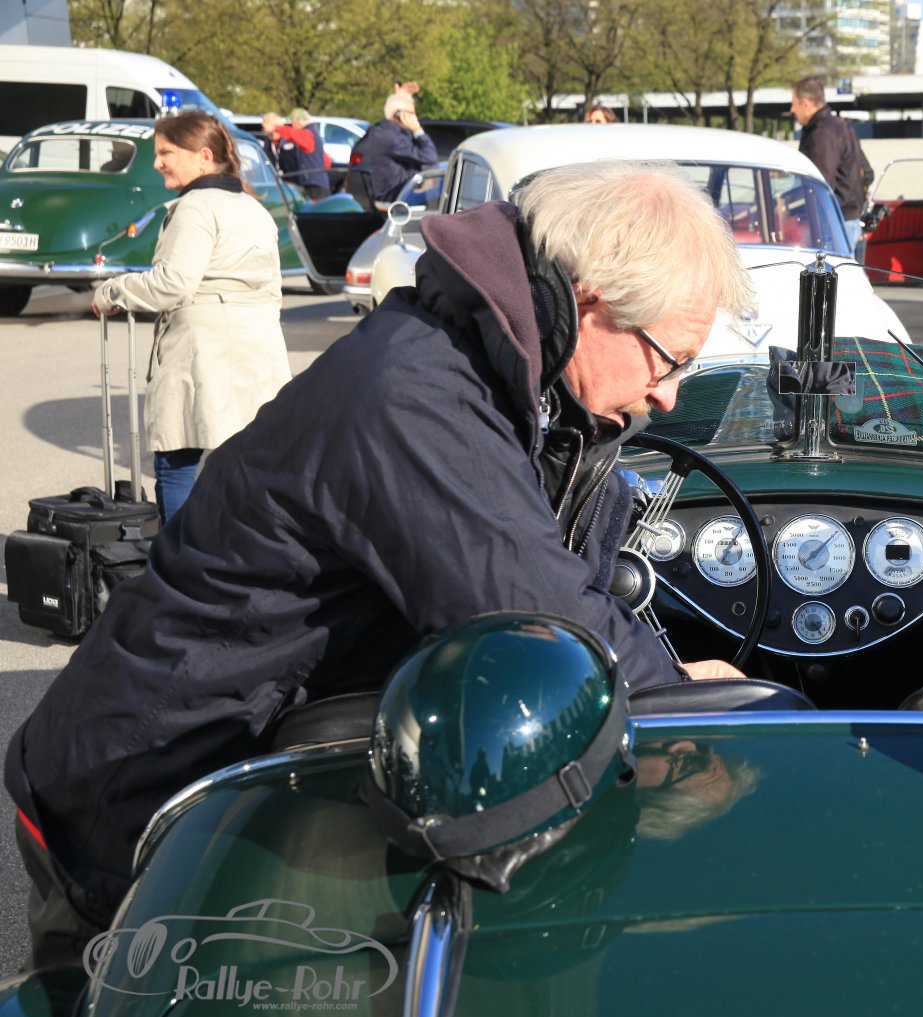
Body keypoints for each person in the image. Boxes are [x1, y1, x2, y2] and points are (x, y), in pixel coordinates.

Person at [8, 160, 755, 970]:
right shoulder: (417, 392)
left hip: (237, 771)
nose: (667, 394)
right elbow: (536, 612)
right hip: (147, 792)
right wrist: (688, 710)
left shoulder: (498, 373)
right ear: (591, 301)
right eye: (668, 359)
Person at [89, 110, 291, 522]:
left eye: (166, 153)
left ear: (203, 156)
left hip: (203, 350)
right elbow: (273, 289)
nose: (157, 163)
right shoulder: (254, 208)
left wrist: (113, 291)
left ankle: (178, 555)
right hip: (260, 348)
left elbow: (173, 283)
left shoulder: (195, 207)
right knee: (246, 464)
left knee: (176, 458)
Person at [790, 76, 872, 259]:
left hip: (830, 222)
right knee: (844, 273)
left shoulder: (822, 134)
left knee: (821, 274)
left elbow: (818, 183)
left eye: (794, 103)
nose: (792, 109)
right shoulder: (841, 127)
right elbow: (868, 173)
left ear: (805, 103)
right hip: (848, 220)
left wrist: (788, 205)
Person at [361, 91, 437, 203]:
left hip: (389, 194)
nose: (415, 118)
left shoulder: (380, 130)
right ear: (400, 114)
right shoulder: (393, 137)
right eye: (412, 113)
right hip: (396, 198)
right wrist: (417, 129)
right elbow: (430, 156)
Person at [262, 108, 329, 200]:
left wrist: (275, 128)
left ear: (299, 121)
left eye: (292, 122)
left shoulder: (307, 134)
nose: (292, 125)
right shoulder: (311, 133)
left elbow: (292, 133)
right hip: (312, 183)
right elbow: (327, 161)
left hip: (313, 185)